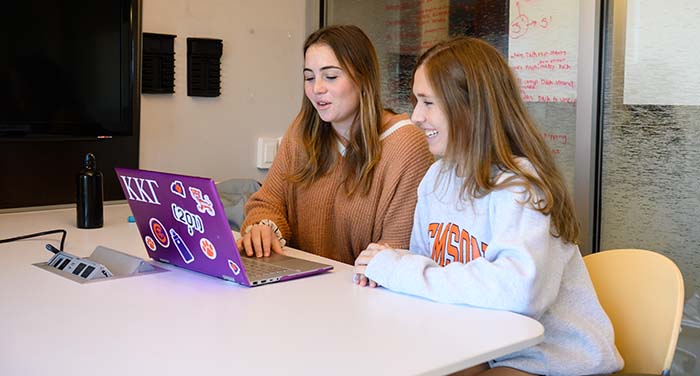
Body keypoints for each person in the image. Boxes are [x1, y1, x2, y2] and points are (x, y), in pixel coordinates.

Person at [353, 37, 623, 376]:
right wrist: (390, 262)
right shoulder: (436, 178)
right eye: (416, 101)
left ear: (471, 108)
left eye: (429, 102)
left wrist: (401, 271)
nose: (417, 116)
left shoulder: (521, 186)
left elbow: (518, 292)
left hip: (554, 358)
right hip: (485, 346)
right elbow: (429, 271)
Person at [238, 25, 433, 265]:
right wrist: (262, 228)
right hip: (300, 286)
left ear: (363, 78)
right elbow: (267, 203)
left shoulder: (406, 143)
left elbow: (397, 251)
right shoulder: (302, 132)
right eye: (309, 77)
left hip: (364, 293)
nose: (317, 88)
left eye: (330, 76)